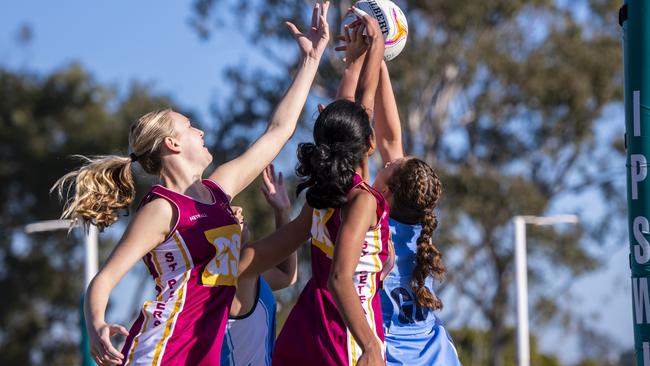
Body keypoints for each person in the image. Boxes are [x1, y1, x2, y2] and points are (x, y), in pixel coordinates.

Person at [51, 2, 330, 365]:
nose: (201, 131)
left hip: (199, 355)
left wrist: (311, 60)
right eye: (190, 126)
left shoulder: (216, 191)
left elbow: (277, 132)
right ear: (173, 143)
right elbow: (103, 281)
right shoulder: (163, 209)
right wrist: (97, 325)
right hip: (160, 351)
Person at [236, 11, 390, 366]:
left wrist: (212, 271)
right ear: (368, 145)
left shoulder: (321, 199)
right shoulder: (360, 199)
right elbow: (339, 279)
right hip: (344, 338)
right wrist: (370, 346)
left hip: (303, 335)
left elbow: (266, 251)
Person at [333, 13, 461, 365]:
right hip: (436, 354)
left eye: (388, 167)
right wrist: (382, 56)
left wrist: (363, 59)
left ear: (387, 191)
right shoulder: (418, 226)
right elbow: (391, 138)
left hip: (393, 355)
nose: (387, 160)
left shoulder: (371, 223)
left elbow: (357, 128)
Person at [220, 165, 295, 366]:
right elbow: (297, 235)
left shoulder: (245, 273)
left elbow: (287, 275)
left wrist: (283, 212)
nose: (238, 209)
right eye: (228, 210)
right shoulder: (236, 272)